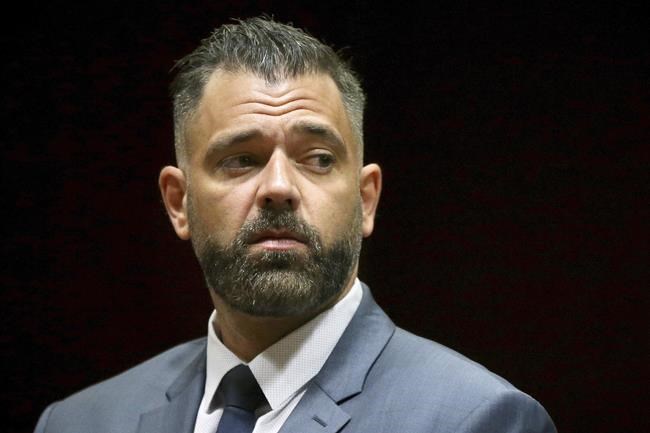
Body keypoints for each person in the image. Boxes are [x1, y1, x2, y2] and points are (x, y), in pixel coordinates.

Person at [35, 17, 556, 433]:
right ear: (178, 202)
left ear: (366, 199)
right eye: (241, 159)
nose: (279, 186)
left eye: (319, 159)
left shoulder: (476, 420)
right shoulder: (79, 422)